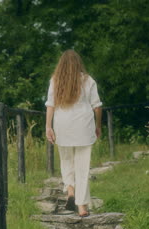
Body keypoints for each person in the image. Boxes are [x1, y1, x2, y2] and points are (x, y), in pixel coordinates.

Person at [45, 49, 103, 217]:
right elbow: (97, 106)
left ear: (61, 64)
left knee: (66, 161)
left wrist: (48, 126)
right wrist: (98, 125)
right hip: (84, 126)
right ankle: (82, 206)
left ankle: (70, 190)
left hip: (63, 126)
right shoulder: (88, 80)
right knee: (82, 166)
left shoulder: (55, 80)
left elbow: (50, 105)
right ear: (79, 63)